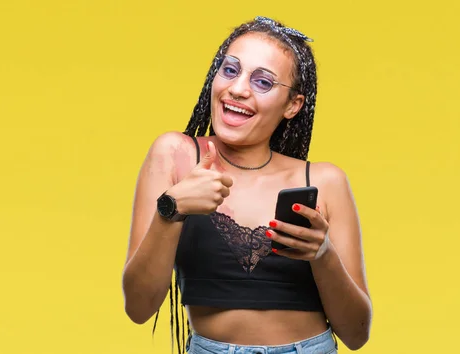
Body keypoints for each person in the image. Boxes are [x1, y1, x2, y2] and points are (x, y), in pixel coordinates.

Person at [122, 16, 372, 354]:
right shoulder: (175, 154)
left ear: (292, 105)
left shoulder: (326, 181)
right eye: (230, 70)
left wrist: (323, 255)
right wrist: (171, 210)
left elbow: (356, 335)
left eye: (263, 82)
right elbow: (138, 308)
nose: (238, 88)